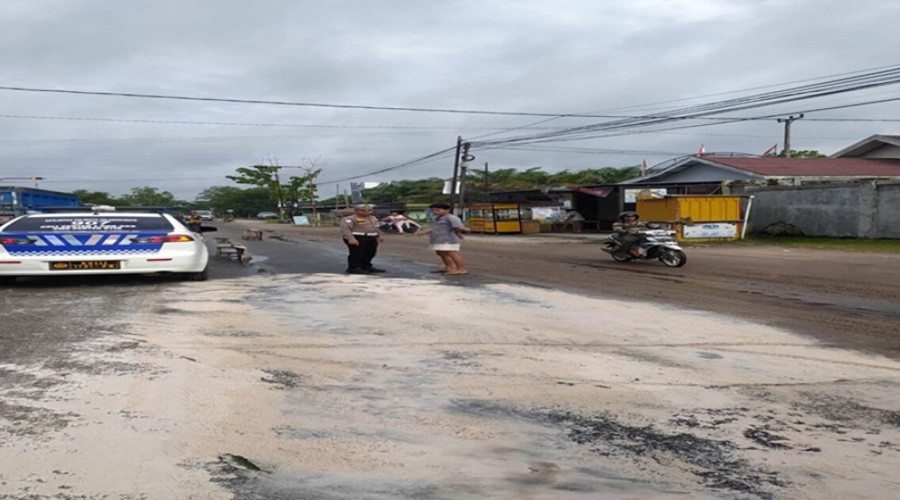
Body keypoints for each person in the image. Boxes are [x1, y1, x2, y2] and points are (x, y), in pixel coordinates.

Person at [415, 203, 468, 275]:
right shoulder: (437, 218)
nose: (435, 212)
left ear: (447, 210)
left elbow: (459, 227)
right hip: (438, 239)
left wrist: (459, 233)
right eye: (433, 210)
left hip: (448, 240)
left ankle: (461, 269)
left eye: (438, 210)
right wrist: (424, 232)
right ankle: (449, 267)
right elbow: (435, 229)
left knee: (452, 253)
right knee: (440, 252)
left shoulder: (451, 218)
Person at [340, 204, 385, 274]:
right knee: (356, 253)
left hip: (371, 237)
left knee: (370, 252)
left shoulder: (373, 218)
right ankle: (354, 267)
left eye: (369, 210)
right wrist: (350, 238)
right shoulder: (349, 219)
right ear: (356, 210)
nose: (366, 212)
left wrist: (379, 236)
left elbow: (376, 227)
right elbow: (346, 229)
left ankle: (366, 266)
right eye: (363, 210)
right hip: (357, 237)